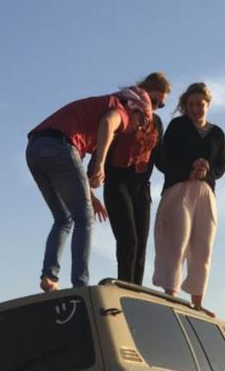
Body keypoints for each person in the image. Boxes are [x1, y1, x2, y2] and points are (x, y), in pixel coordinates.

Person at [26, 86, 154, 292]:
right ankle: (80, 285)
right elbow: (107, 123)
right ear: (135, 108)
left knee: (63, 218)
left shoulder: (94, 112)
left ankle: (49, 276)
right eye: (144, 120)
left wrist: (91, 197)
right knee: (84, 219)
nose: (140, 126)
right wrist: (101, 164)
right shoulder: (121, 110)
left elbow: (74, 167)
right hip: (60, 146)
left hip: (35, 149)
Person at [152, 81, 225, 312]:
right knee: (177, 243)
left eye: (200, 104)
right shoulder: (177, 126)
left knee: (203, 247)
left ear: (208, 104)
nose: (195, 108)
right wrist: (189, 169)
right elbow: (163, 159)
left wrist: (206, 171)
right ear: (185, 105)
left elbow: (221, 166)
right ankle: (171, 295)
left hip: (205, 192)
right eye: (191, 104)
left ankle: (198, 302)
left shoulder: (216, 133)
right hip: (179, 189)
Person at [103, 72, 172, 285]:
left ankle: (135, 291)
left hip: (141, 186)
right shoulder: (123, 111)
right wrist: (94, 171)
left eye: (161, 104)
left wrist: (187, 169)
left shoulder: (157, 123)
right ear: (143, 91)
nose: (156, 106)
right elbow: (103, 145)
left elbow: (161, 159)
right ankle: (125, 287)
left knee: (141, 245)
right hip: (117, 182)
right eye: (154, 101)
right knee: (128, 240)